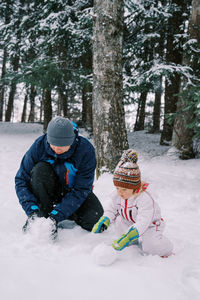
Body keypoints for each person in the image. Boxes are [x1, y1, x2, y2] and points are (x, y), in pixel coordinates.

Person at [15, 116, 103, 238]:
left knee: (95, 220)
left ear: (72, 140)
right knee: (40, 170)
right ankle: (42, 213)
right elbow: (21, 180)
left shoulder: (85, 150)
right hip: (47, 191)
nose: (57, 149)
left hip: (72, 192)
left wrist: (57, 215)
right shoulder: (39, 146)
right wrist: (32, 210)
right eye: (53, 144)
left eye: (62, 145)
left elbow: (82, 189)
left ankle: (62, 212)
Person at [92, 149, 173, 257]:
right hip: (130, 221)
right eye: (117, 188)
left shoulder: (144, 198)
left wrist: (130, 234)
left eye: (124, 189)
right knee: (120, 220)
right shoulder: (118, 195)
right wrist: (105, 219)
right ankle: (131, 244)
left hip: (150, 225)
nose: (120, 192)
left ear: (134, 188)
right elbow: (111, 209)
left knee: (151, 247)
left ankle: (165, 248)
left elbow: (144, 221)